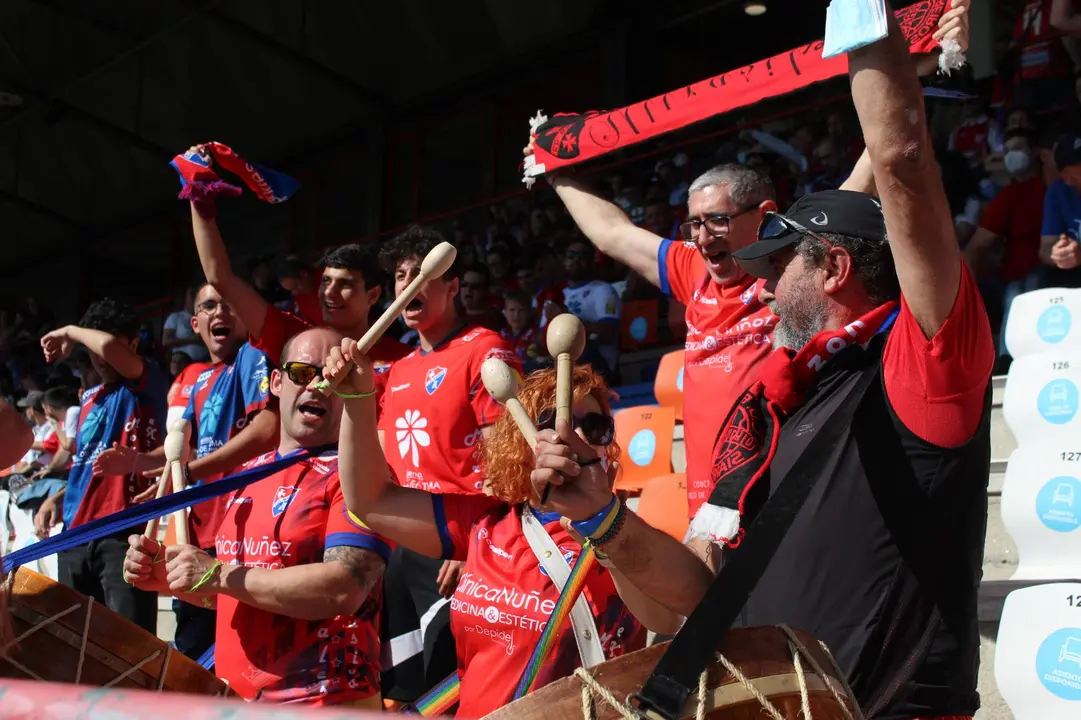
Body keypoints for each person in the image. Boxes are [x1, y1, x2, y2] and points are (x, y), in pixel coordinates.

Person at [531, 7, 992, 718]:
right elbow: (699, 591)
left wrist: (869, 26)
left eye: (778, 265)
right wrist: (597, 517)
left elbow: (899, 163)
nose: (764, 287)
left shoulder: (922, 365)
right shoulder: (774, 410)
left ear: (834, 267)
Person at [330, 348, 654, 716]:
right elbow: (369, 500)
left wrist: (603, 524)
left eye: (594, 427)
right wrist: (357, 399)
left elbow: (667, 616)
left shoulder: (627, 537)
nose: (576, 435)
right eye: (554, 421)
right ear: (523, 438)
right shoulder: (487, 523)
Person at [123, 327, 392, 708]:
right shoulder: (247, 475)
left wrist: (216, 574)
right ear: (277, 383)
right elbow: (235, 593)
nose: (317, 387)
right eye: (302, 373)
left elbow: (342, 588)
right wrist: (169, 578)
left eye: (336, 376)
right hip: (238, 701)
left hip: (325, 705)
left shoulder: (359, 476)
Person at [536, 152, 778, 519]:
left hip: (777, 496)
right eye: (694, 224)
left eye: (717, 220)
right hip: (710, 509)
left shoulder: (794, 266)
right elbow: (612, 233)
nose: (702, 237)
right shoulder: (693, 266)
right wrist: (555, 174)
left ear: (764, 217)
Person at [375, 225, 521, 706]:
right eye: (401, 276)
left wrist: (465, 547)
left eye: (422, 274)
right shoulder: (397, 369)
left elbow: (509, 459)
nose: (409, 284)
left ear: (452, 285)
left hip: (458, 548)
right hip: (404, 551)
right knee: (405, 694)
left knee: (448, 692)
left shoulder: (485, 349)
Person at [95, 283, 273, 661]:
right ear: (195, 323)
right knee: (194, 647)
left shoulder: (253, 354)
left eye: (228, 303)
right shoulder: (202, 379)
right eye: (209, 306)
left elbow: (266, 430)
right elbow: (180, 446)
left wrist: (190, 473)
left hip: (246, 528)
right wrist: (142, 463)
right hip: (201, 532)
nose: (220, 312)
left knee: (237, 647)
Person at [184, 167, 410, 405]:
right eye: (325, 281)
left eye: (345, 284)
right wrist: (198, 196)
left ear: (373, 295)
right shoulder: (294, 338)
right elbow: (220, 278)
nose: (330, 292)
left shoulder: (402, 361)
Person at [34, 299, 168, 632]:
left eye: (103, 345)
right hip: (74, 536)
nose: (99, 356)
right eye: (91, 348)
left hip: (123, 533)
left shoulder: (146, 382)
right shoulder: (89, 397)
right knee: (74, 643)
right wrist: (57, 499)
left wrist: (69, 331)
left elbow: (108, 346)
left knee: (129, 645)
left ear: (133, 345)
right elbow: (85, 469)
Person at [965, 128, 1048, 359]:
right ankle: (1005, 359)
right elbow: (975, 247)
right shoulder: (1009, 196)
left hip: (1053, 275)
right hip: (1012, 282)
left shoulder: (1060, 188)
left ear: (1037, 153)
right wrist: (968, 301)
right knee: (1016, 291)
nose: (1013, 155)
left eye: (1018, 148)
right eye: (1008, 150)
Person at [1039, 133, 1081, 284]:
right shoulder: (1058, 191)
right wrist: (1059, 254)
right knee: (1038, 279)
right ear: (1066, 176)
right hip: (1074, 273)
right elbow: (1045, 249)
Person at [162, 286, 210, 365]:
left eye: (197, 295)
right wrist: (191, 340)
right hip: (183, 364)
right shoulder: (175, 317)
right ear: (185, 298)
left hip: (206, 361)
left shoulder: (205, 316)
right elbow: (165, 342)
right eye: (191, 295)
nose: (194, 298)